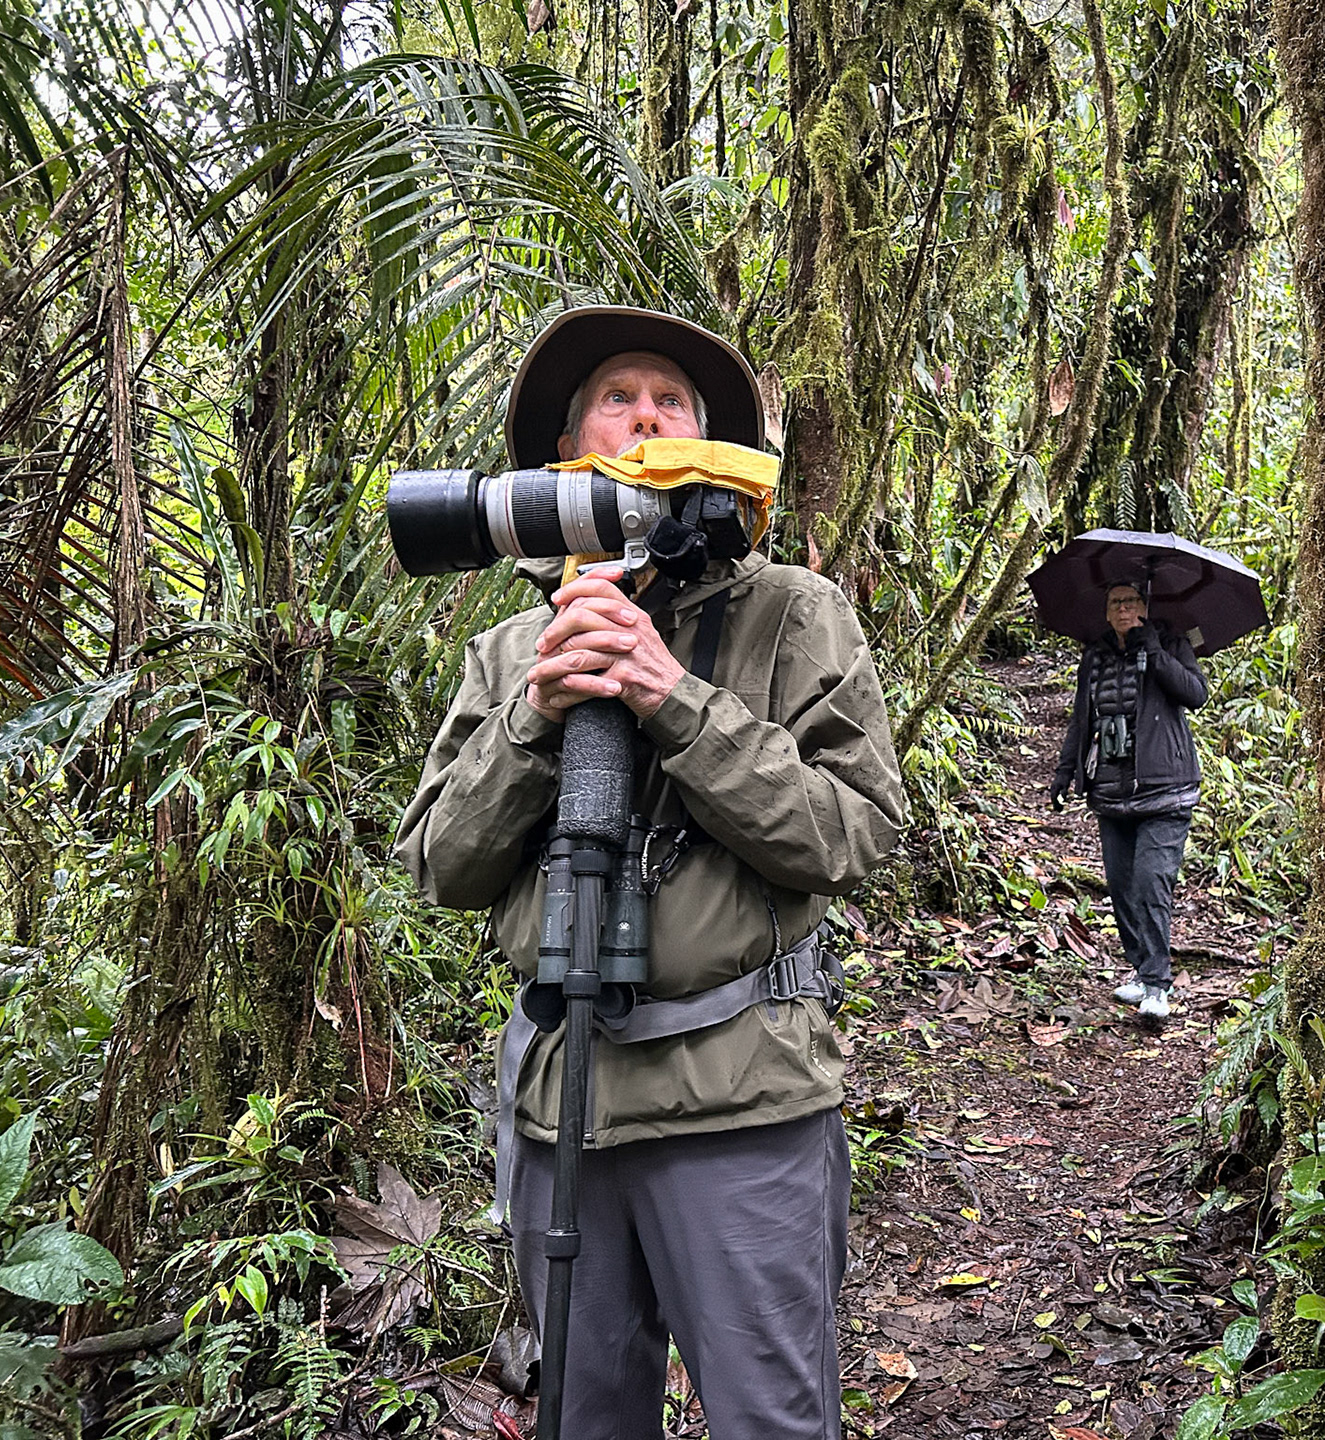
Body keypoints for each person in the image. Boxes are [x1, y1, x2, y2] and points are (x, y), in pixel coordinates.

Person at [396, 306, 905, 1440]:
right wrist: (535, 715)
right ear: (565, 452)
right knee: (585, 1419)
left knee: (773, 1419)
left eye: (671, 400)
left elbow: (856, 832)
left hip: (741, 1106)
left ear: (710, 444)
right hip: (561, 1113)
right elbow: (442, 865)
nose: (644, 419)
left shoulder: (793, 614)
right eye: (615, 400)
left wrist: (672, 698)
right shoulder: (511, 651)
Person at [1048, 582, 1207, 1021]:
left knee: (1150, 882)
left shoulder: (1170, 643)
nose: (1124, 609)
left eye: (1132, 601)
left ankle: (1157, 985)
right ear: (1106, 611)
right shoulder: (1095, 655)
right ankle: (1141, 969)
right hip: (1112, 791)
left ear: (1145, 606)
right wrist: (1065, 771)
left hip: (1166, 790)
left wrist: (1153, 650)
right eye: (1116, 602)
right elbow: (1082, 717)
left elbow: (1196, 694)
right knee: (1121, 887)